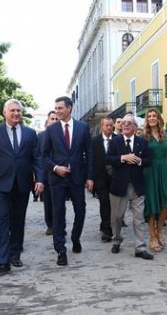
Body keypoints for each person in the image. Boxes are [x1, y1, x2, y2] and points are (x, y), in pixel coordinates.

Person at [0, 99, 43, 275]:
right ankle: (3, 261)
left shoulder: (30, 134)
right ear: (4, 113)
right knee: (1, 221)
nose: (16, 113)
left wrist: (39, 179)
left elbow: (36, 158)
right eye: (12, 111)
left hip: (22, 184)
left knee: (18, 220)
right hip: (1, 184)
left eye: (18, 111)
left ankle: (15, 253)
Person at [42, 96, 93, 266]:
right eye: (55, 108)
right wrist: (56, 168)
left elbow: (89, 153)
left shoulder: (83, 128)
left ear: (69, 108)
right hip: (57, 179)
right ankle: (60, 250)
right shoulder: (51, 130)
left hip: (77, 177)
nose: (57, 111)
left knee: (81, 210)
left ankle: (75, 237)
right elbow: (44, 156)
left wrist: (90, 177)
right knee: (58, 214)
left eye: (60, 108)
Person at [106, 114, 153, 260]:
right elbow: (107, 158)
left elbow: (148, 160)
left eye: (129, 123)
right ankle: (117, 240)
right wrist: (123, 158)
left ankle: (140, 248)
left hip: (137, 186)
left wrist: (139, 161)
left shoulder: (142, 142)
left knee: (138, 219)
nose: (125, 125)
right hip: (119, 186)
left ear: (134, 127)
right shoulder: (115, 142)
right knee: (117, 217)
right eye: (123, 123)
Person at [142, 109, 167, 252]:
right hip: (149, 172)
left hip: (164, 171)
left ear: (159, 118)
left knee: (166, 203)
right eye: (149, 116)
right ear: (147, 120)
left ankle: (159, 230)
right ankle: (152, 237)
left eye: (154, 116)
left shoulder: (166, 135)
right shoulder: (143, 137)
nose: (152, 118)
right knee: (152, 204)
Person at [92, 117, 115, 242]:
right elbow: (92, 160)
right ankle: (107, 230)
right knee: (104, 203)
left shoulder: (118, 139)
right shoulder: (95, 141)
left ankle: (111, 225)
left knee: (114, 204)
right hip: (100, 178)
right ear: (102, 126)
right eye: (107, 125)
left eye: (111, 125)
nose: (109, 128)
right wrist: (90, 178)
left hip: (115, 178)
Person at [39, 111, 58, 236]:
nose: (55, 121)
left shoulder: (63, 134)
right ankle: (50, 225)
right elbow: (38, 156)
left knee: (58, 202)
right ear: (47, 121)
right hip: (46, 173)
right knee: (48, 202)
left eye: (57, 118)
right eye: (52, 118)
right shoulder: (41, 136)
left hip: (59, 173)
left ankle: (58, 225)